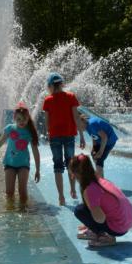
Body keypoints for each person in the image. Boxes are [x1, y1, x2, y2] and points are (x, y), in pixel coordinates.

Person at [0, 102, 41, 205]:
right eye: (19, 119)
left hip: (23, 165)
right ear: (14, 118)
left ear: (28, 118)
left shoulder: (29, 132)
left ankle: (23, 209)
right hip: (9, 164)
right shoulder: (10, 128)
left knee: (22, 191)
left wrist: (38, 170)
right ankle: (10, 209)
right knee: (9, 192)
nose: (22, 122)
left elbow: (36, 151)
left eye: (24, 119)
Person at [69, 154, 132, 247]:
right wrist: (89, 223)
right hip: (126, 223)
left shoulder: (90, 189)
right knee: (85, 208)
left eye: (72, 174)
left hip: (118, 229)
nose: (72, 177)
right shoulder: (100, 181)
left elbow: (100, 219)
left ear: (76, 174)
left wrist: (92, 224)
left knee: (79, 210)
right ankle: (101, 232)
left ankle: (106, 237)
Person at [42, 73, 85, 206]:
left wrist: (48, 134)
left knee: (57, 166)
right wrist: (82, 136)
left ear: (50, 86)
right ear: (61, 84)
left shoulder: (48, 100)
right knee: (70, 165)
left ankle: (61, 197)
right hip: (69, 136)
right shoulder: (71, 97)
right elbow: (76, 117)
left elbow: (47, 121)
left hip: (55, 136)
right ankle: (72, 190)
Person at [79, 111, 118, 178]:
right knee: (94, 155)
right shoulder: (87, 126)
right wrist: (94, 148)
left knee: (99, 159)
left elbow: (104, 137)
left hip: (109, 142)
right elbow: (94, 136)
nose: (77, 129)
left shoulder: (92, 124)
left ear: (82, 122)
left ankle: (101, 181)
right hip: (101, 141)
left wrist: (100, 151)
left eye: (77, 127)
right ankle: (101, 178)